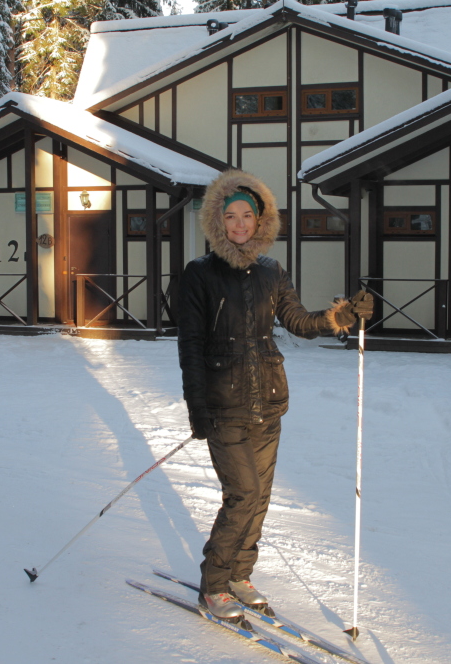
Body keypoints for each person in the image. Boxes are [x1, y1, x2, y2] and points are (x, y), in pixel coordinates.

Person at [177, 168, 372, 621]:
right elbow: (189, 345)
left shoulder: (271, 271)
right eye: (232, 217)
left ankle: (241, 574)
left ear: (261, 220)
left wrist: (342, 316)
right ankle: (213, 583)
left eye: (249, 215)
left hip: (268, 399)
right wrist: (197, 404)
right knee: (242, 493)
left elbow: (299, 322)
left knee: (260, 495)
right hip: (223, 402)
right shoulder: (200, 275)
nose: (241, 224)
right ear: (217, 222)